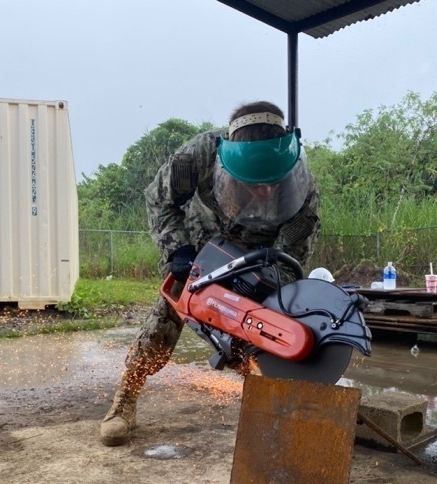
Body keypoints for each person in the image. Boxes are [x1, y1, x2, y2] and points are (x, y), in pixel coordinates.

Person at [100, 101, 321, 446]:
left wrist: (268, 294)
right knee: (170, 314)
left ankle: (267, 397)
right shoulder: (197, 157)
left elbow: (293, 254)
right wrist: (177, 249)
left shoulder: (303, 191)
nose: (263, 192)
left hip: (260, 255)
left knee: (264, 324)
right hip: (199, 244)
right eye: (253, 183)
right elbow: (159, 201)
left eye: (271, 183)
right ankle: (125, 397)